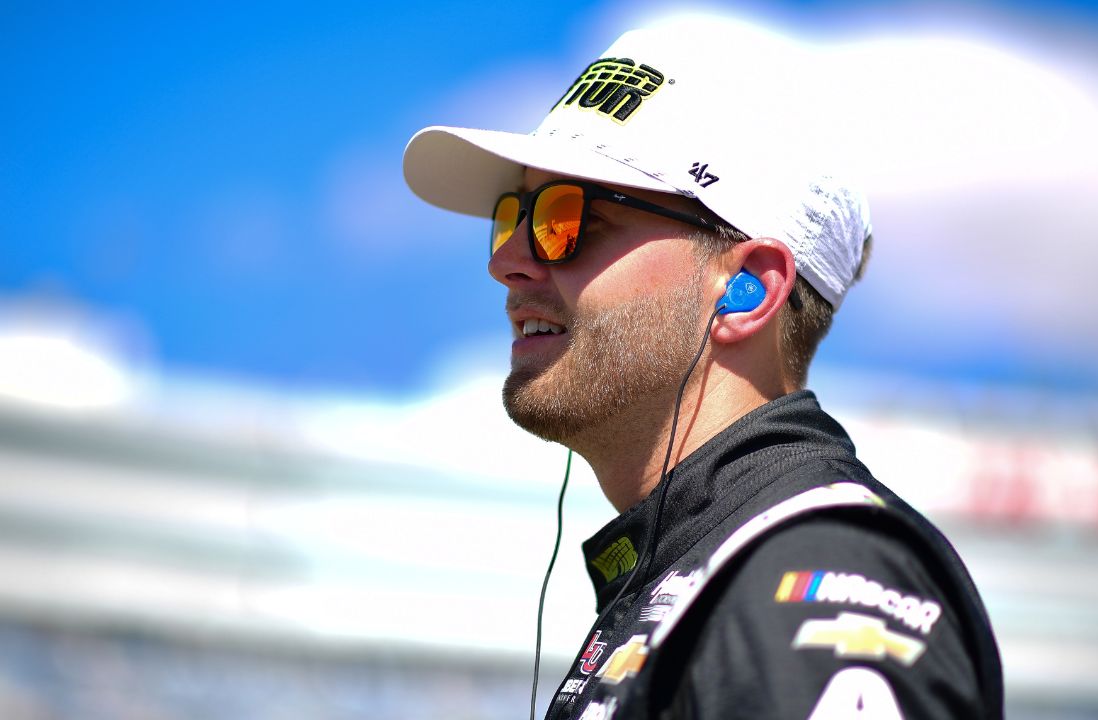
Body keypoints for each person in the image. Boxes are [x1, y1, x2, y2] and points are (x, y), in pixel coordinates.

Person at [403, 22, 1002, 720]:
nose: (508, 260)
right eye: (514, 217)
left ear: (747, 286)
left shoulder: (811, 568)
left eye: (569, 219)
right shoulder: (705, 569)